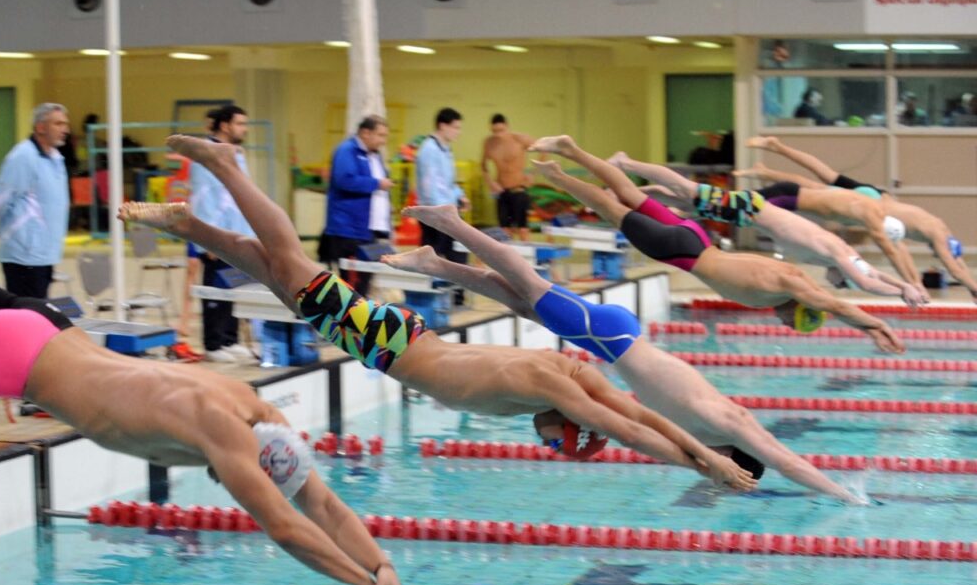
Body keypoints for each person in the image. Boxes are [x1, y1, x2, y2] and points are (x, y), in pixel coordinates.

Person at [119, 135, 758, 493]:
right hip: (389, 345)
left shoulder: (570, 377)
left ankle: (188, 222)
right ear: (567, 427)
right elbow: (633, 432)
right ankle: (227, 167)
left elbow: (639, 414)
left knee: (277, 274)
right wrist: (707, 463)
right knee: (286, 262)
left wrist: (706, 451)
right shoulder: (551, 387)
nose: (541, 440)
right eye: (553, 441)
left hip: (406, 339)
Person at [0, 267, 416, 585]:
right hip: (10, 360)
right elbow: (288, 527)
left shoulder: (251, 405)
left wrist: (381, 564)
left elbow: (322, 503)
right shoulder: (225, 436)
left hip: (45, 325)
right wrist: (362, 583)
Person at [382, 205, 870, 506]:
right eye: (725, 474)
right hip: (613, 340)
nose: (709, 476)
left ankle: (435, 263)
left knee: (519, 299)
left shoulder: (705, 435)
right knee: (529, 284)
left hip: (613, 345)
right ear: (734, 460)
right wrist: (846, 496)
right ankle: (452, 223)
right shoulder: (732, 424)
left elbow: (658, 433)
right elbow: (786, 461)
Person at [525, 136, 905, 354]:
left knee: (624, 191)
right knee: (609, 204)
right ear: (799, 312)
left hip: (696, 237)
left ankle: (571, 150)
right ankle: (557, 173)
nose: (784, 323)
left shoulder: (790, 275)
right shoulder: (790, 288)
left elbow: (831, 300)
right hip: (682, 252)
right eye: (793, 323)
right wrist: (874, 327)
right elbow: (835, 304)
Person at [613, 153, 926, 308]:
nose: (837, 285)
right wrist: (903, 292)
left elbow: (871, 274)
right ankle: (626, 163)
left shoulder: (844, 256)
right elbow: (865, 282)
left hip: (749, 213)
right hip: (751, 209)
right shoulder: (839, 256)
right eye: (840, 285)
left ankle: (628, 190)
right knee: (685, 188)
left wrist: (902, 284)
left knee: (688, 202)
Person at [745, 136, 977, 301]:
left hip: (872, 197)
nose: (938, 256)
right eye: (940, 254)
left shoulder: (926, 226)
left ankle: (772, 156)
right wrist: (972, 289)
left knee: (823, 178)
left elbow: (946, 262)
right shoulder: (932, 232)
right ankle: (767, 168)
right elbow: (953, 268)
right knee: (814, 185)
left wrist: (914, 283)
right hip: (848, 199)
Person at [187, 104, 256, 363]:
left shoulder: (237, 154)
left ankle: (230, 338)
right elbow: (203, 198)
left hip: (238, 234)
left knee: (233, 288)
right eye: (240, 124)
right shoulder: (205, 155)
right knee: (215, 289)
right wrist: (210, 241)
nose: (244, 130)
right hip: (217, 236)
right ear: (225, 125)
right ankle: (214, 344)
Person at [0, 103, 70, 299]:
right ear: (40, 127)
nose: (65, 129)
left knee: (39, 315)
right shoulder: (23, 157)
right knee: (27, 317)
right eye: (58, 123)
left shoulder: (55, 158)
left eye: (65, 124)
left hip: (45, 252)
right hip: (24, 255)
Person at [319, 115, 394, 297]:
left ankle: (358, 318)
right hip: (348, 230)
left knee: (365, 279)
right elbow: (344, 179)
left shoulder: (374, 155)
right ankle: (348, 321)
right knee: (352, 282)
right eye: (380, 135)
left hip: (368, 229)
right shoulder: (347, 150)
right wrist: (376, 184)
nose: (383, 141)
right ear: (365, 133)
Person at [415, 107, 468, 305]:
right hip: (434, 215)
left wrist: (460, 197)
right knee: (433, 258)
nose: (458, 132)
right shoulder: (428, 150)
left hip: (447, 213)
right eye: (455, 127)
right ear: (442, 126)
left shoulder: (445, 150)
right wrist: (442, 213)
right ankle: (431, 300)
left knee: (458, 253)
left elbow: (448, 183)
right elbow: (429, 189)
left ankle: (457, 298)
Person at [481, 114, 534, 240]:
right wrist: (490, 182)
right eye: (494, 131)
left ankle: (525, 259)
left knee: (522, 229)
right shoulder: (489, 143)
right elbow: (483, 165)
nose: (498, 134)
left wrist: (533, 173)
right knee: (504, 230)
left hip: (519, 189)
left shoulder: (520, 139)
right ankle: (507, 258)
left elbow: (544, 149)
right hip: (501, 191)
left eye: (501, 130)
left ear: (507, 127)